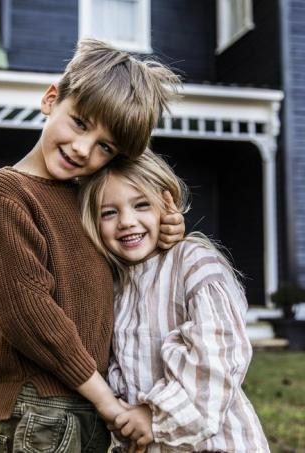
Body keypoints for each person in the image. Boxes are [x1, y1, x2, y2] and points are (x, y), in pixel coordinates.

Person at [0, 39, 182, 452]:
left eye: (106, 147)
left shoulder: (86, 198)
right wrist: (106, 400)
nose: (83, 149)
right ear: (52, 99)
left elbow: (119, 268)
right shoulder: (9, 192)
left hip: (84, 406)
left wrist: (163, 234)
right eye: (80, 123)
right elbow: (25, 312)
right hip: (43, 409)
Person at [79, 149, 271, 452]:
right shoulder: (116, 287)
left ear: (166, 206)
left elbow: (217, 360)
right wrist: (123, 412)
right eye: (108, 212)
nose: (127, 221)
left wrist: (154, 415)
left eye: (142, 205)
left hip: (212, 443)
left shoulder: (193, 262)